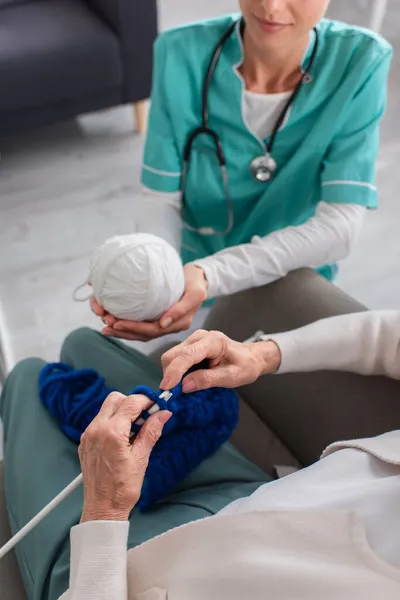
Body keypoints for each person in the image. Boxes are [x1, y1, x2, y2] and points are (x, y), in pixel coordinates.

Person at [2, 308, 400, 599]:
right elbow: (389, 336)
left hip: (114, 571)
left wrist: (104, 511)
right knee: (81, 341)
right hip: (247, 493)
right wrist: (260, 355)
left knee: (25, 376)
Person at [91, 0, 392, 342]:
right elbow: (161, 198)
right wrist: (157, 279)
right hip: (186, 280)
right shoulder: (180, 53)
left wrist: (213, 274)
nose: (270, 5)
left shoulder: (360, 61)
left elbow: (339, 228)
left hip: (291, 276)